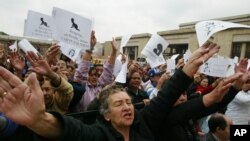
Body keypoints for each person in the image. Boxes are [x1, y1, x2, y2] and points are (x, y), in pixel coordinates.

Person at [0, 43, 245, 141]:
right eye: (118, 104)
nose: (128, 106)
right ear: (105, 114)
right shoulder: (98, 135)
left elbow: (166, 97)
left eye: (128, 102)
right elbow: (71, 131)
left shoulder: (145, 123)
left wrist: (190, 68)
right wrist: (39, 120)